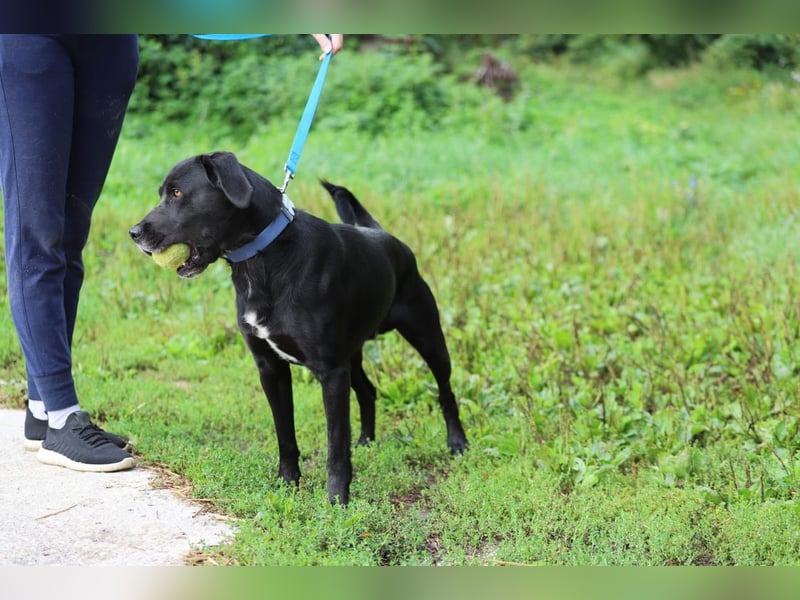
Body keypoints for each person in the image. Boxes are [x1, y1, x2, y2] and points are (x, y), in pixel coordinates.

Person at [0, 34, 342, 473]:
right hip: (31, 32)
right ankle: (63, 418)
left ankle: (43, 408)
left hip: (108, 42)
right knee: (39, 232)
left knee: (68, 231)